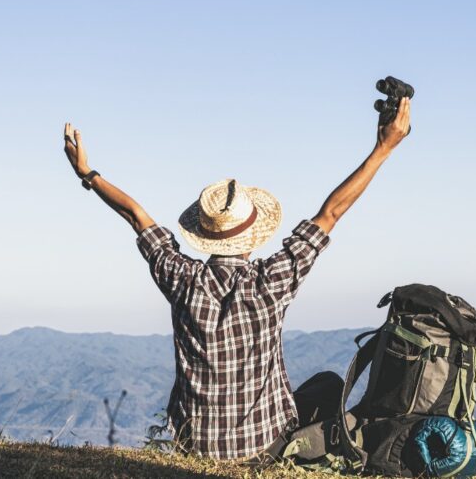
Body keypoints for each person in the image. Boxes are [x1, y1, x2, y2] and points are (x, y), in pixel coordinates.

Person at [62, 96, 411, 460]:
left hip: (194, 445)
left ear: (206, 234)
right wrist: (383, 148)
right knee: (328, 385)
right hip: (264, 447)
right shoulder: (272, 281)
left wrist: (87, 173)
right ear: (253, 233)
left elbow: (135, 215)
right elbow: (332, 212)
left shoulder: (180, 278)